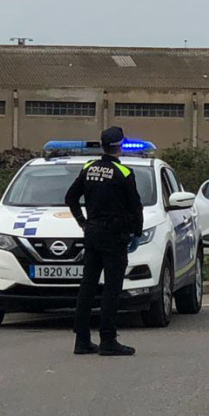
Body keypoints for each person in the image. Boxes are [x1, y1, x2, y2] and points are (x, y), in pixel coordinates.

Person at [65, 126, 143, 356]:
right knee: (111, 288)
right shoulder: (124, 173)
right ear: (119, 146)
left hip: (93, 233)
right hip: (114, 236)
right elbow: (135, 207)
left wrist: (82, 222)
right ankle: (108, 340)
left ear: (102, 145)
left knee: (87, 286)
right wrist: (136, 233)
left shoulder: (88, 168)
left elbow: (70, 197)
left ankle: (81, 340)